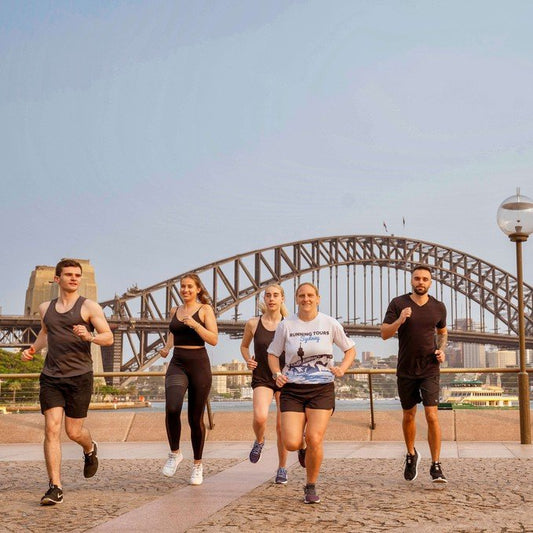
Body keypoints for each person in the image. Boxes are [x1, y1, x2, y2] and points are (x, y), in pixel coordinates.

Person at [21, 259, 114, 505]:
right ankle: (55, 487)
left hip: (79, 377)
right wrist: (32, 349)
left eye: (77, 275)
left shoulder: (89, 307)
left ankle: (90, 448)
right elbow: (45, 333)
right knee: (51, 429)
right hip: (51, 376)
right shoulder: (45, 308)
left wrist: (90, 336)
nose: (74, 278)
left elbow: (109, 337)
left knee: (73, 432)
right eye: (69, 275)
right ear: (57, 278)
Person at [268, 282, 355, 504]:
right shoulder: (286, 325)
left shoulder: (329, 323)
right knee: (291, 443)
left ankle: (310, 485)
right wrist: (277, 372)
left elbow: (349, 349)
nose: (306, 299)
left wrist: (342, 368)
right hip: (292, 390)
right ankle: (302, 447)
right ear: (296, 299)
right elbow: (272, 354)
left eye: (310, 295)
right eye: (301, 296)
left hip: (322, 389)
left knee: (315, 437)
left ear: (318, 298)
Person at [381, 265, 448, 484]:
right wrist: (400, 320)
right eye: (417, 278)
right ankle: (411, 454)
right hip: (406, 369)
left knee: (432, 415)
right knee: (409, 415)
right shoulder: (398, 303)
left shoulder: (438, 307)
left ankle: (436, 465)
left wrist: (442, 349)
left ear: (430, 282)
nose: (421, 282)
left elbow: (442, 332)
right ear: (412, 281)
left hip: (429, 368)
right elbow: (384, 334)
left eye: (425, 279)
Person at [159, 274, 218, 485]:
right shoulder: (175, 310)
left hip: (199, 364)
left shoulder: (205, 310)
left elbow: (213, 339)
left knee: (195, 419)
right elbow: (173, 333)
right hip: (178, 363)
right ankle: (175, 453)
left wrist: (195, 324)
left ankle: (197, 465)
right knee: (172, 407)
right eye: (183, 287)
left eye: (190, 287)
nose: (185, 290)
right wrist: (166, 348)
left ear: (198, 289)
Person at [240, 284, 289, 484]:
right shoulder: (253, 323)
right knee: (260, 417)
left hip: (284, 378)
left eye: (275, 295)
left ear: (282, 299)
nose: (271, 299)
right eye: (268, 295)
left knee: (281, 426)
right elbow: (244, 346)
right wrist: (247, 359)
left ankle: (282, 468)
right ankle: (259, 441)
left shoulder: (289, 324)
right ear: (264, 299)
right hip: (261, 376)